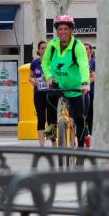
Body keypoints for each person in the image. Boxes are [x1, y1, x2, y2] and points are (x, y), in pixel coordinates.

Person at [41, 15, 90, 149]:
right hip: (57, 83)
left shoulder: (78, 46)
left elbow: (84, 65)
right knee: (50, 99)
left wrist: (85, 82)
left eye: (66, 29)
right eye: (60, 29)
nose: (63, 32)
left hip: (75, 86)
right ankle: (52, 132)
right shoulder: (52, 45)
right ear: (57, 31)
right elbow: (45, 62)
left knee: (80, 118)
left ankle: (80, 147)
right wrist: (49, 76)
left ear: (71, 30)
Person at [29, 41, 48, 147]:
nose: (44, 50)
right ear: (38, 50)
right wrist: (32, 81)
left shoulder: (52, 62)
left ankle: (54, 142)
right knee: (41, 118)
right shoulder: (34, 63)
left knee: (51, 118)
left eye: (46, 48)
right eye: (42, 48)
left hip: (50, 93)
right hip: (39, 93)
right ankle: (42, 145)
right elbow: (30, 77)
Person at [83, 42, 95, 147]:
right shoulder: (80, 61)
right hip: (80, 93)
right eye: (83, 49)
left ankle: (90, 136)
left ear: (90, 51)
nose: (85, 50)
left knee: (90, 116)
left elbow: (95, 77)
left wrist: (86, 83)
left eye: (87, 49)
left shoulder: (93, 63)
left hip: (92, 92)